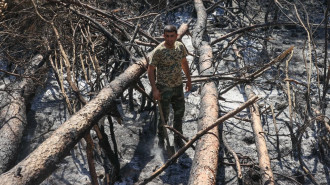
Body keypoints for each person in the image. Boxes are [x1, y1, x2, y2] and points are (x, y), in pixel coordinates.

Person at [148, 25, 192, 148]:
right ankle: (161, 140)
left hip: (178, 86)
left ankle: (178, 137)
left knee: (179, 113)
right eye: (167, 36)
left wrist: (189, 80)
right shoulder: (159, 51)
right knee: (164, 116)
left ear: (176, 36)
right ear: (164, 36)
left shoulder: (180, 47)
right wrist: (155, 89)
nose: (170, 39)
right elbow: (151, 70)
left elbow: (184, 63)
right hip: (164, 88)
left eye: (172, 36)